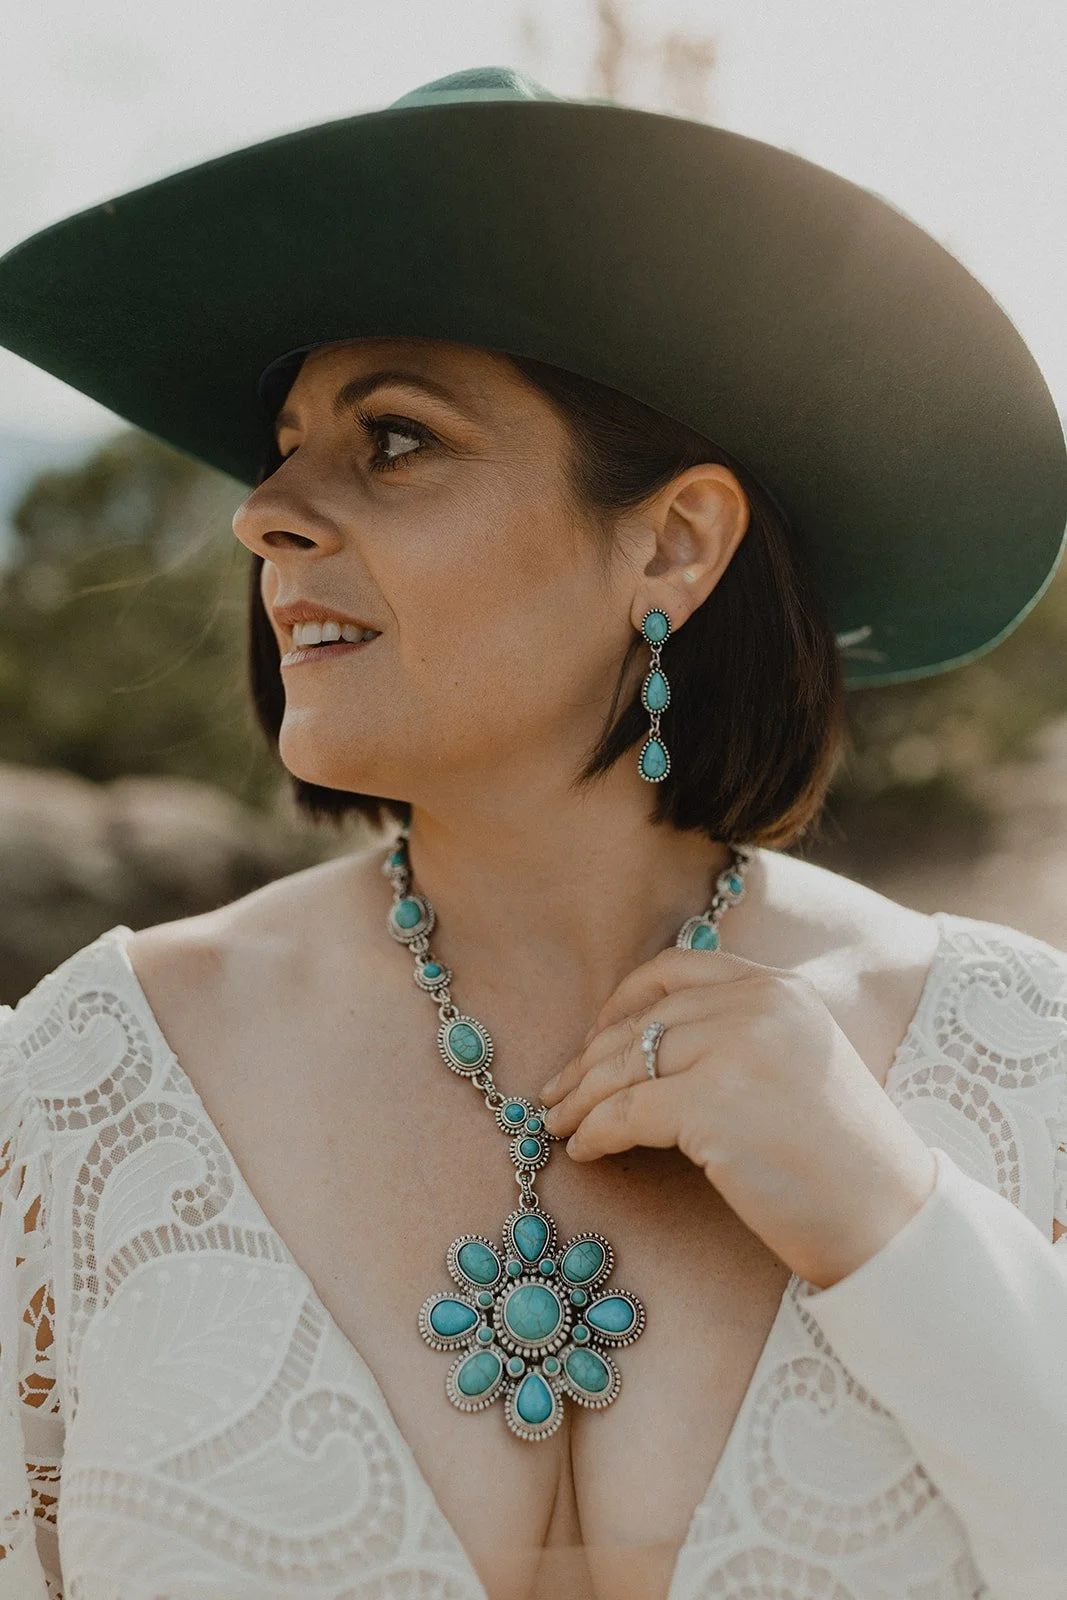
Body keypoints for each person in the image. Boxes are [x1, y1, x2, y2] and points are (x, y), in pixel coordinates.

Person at [0, 64, 1066, 1600]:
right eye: (281, 446)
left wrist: (892, 1225)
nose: (265, 513)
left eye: (395, 440)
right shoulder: (82, 1091)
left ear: (674, 541)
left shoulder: (1009, 1062)